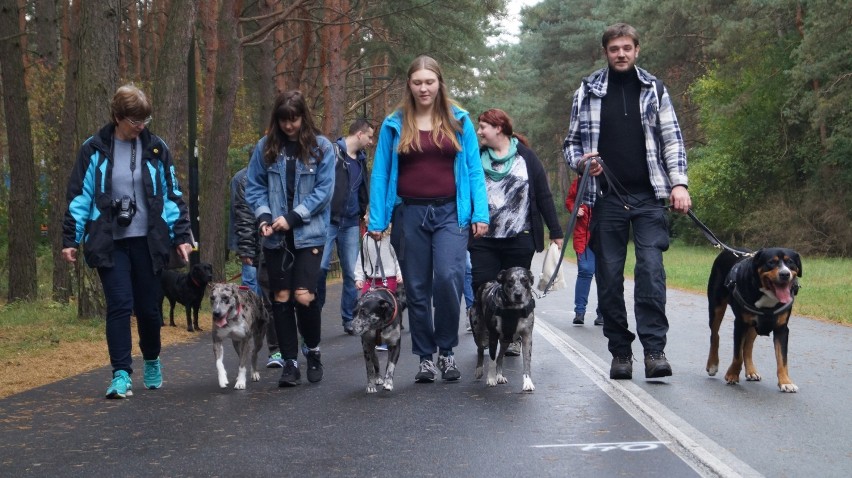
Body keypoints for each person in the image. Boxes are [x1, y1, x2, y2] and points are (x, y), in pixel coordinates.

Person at [563, 23, 691, 380]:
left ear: (637, 50)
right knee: (608, 277)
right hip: (606, 198)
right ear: (606, 52)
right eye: (614, 48)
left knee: (651, 271)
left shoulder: (655, 89)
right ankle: (620, 352)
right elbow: (570, 145)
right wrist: (581, 161)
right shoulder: (586, 92)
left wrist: (679, 184)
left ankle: (654, 352)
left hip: (650, 197)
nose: (621, 53)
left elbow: (673, 141)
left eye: (627, 48)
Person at [61, 84, 194, 399]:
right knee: (119, 306)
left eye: (145, 120)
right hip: (111, 242)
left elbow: (172, 194)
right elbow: (80, 196)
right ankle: (120, 374)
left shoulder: (156, 148)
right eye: (135, 120)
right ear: (118, 117)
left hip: (149, 243)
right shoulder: (93, 149)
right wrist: (71, 237)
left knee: (149, 310)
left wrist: (181, 236)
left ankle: (151, 360)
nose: (141, 127)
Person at [367, 55, 489, 383]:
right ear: (409, 84)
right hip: (409, 213)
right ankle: (425, 358)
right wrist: (377, 221)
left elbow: (475, 170)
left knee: (449, 278)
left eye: (429, 82)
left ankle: (447, 352)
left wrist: (481, 212)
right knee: (417, 288)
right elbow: (380, 174)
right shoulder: (395, 124)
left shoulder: (458, 120)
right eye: (418, 82)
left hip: (451, 212)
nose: (424, 88)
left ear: (439, 83)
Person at [245, 90, 335, 387]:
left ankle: (312, 350)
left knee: (303, 296)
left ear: (303, 117)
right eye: (283, 120)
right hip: (275, 237)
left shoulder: (322, 148)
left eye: (294, 119)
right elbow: (254, 186)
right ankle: (290, 362)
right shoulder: (265, 147)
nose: (289, 126)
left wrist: (293, 217)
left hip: (309, 234)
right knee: (281, 298)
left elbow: (323, 192)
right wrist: (263, 217)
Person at [472, 108, 564, 356]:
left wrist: (556, 231)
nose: (479, 131)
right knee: (483, 287)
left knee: (516, 290)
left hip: (519, 237)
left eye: (483, 127)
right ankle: (484, 330)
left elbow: (543, 194)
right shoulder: (475, 157)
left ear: (498, 128)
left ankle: (511, 338)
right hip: (483, 238)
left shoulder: (527, 158)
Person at [316, 119, 373, 335]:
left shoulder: (361, 159)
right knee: (320, 269)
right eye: (369, 136)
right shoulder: (331, 153)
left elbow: (361, 188)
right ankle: (314, 311)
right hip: (328, 221)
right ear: (359, 134)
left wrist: (363, 209)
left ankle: (349, 318)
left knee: (351, 272)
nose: (371, 141)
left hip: (350, 223)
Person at [229, 162, 283, 368]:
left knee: (273, 299)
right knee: (254, 300)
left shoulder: (279, 176)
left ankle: (277, 347)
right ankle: (260, 348)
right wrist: (246, 250)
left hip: (272, 244)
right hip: (253, 247)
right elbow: (242, 218)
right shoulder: (242, 179)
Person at [354, 227, 403, 351]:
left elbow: (397, 256)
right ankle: (371, 338)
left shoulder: (390, 238)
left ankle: (386, 338)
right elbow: (361, 259)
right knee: (366, 309)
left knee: (385, 311)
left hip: (388, 279)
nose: (364, 217)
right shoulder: (365, 238)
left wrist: (400, 272)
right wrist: (359, 277)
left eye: (367, 215)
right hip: (371, 281)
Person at [564, 175, 602, 326]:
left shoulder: (610, 178)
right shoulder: (580, 180)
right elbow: (570, 200)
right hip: (584, 236)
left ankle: (603, 313)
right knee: (585, 270)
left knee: (605, 274)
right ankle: (580, 312)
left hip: (606, 236)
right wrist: (574, 208)